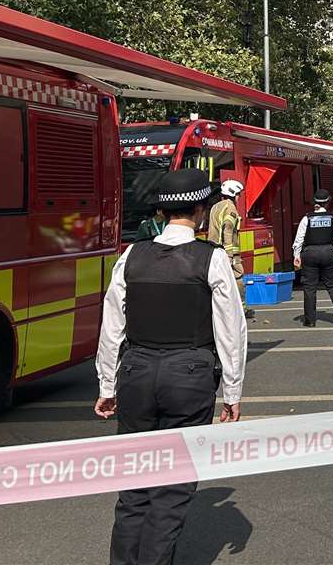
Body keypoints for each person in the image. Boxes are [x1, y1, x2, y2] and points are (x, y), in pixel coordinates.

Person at [94, 168, 246, 565]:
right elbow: (231, 330)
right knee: (172, 491)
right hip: (190, 375)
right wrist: (232, 391)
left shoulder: (131, 255)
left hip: (136, 374)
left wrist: (107, 385)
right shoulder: (211, 259)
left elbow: (112, 325)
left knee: (133, 488)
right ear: (199, 211)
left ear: (161, 210)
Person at [293, 189, 333, 326]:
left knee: (310, 287)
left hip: (310, 253)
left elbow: (299, 239)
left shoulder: (307, 218)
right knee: (332, 284)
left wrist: (296, 255)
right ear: (328, 202)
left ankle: (310, 320)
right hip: (328, 251)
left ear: (315, 202)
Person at [208, 179, 253, 321]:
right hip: (228, 252)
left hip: (213, 249)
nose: (239, 197)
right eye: (238, 194)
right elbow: (227, 231)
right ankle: (242, 308)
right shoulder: (230, 208)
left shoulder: (215, 206)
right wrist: (230, 256)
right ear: (233, 194)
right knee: (238, 278)